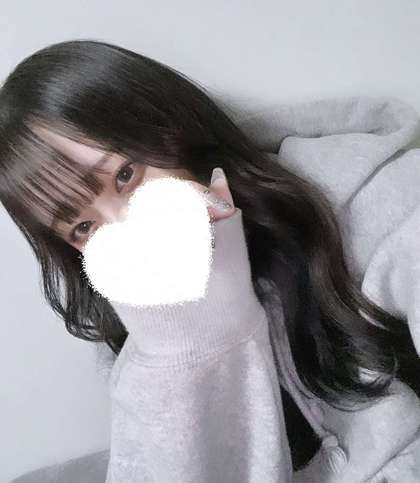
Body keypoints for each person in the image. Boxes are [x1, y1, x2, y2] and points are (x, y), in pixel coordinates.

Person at [1, 39, 419, 482]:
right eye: (84, 228)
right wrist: (198, 329)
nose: (124, 230)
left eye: (125, 175)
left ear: (174, 130)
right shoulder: (135, 325)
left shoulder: (380, 198)